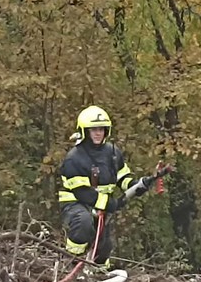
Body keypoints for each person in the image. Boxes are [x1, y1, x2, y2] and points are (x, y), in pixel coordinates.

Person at [58, 105, 170, 267]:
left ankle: (99, 275)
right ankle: (71, 263)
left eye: (101, 129)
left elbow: (122, 177)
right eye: (93, 129)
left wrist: (135, 186)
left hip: (103, 205)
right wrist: (110, 203)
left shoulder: (112, 153)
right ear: (84, 131)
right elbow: (83, 193)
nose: (98, 133)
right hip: (77, 204)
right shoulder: (74, 158)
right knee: (83, 223)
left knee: (104, 247)